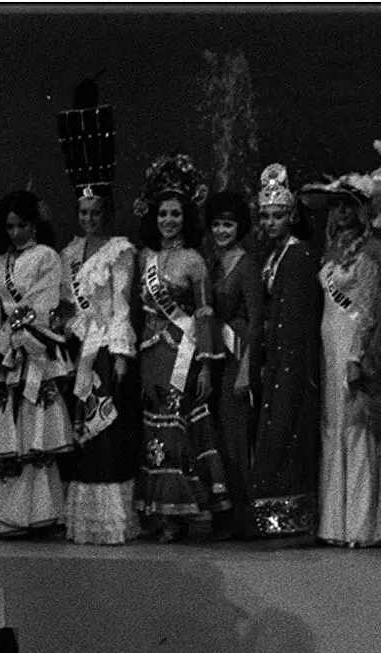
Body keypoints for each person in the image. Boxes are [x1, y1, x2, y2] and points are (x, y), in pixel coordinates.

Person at [133, 162, 226, 538]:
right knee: (153, 427)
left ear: (184, 217)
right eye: (162, 213)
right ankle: (160, 512)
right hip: (151, 355)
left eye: (175, 213)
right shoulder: (144, 258)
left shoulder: (194, 260)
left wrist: (205, 365)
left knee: (179, 428)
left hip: (182, 354)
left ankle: (185, 512)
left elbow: (204, 315)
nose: (168, 220)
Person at [313, 177, 381, 548]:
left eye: (349, 204)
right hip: (328, 344)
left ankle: (360, 525)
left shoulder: (373, 252)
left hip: (352, 346)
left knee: (356, 426)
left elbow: (369, 311)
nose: (342, 212)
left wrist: (356, 356)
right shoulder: (331, 249)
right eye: (337, 205)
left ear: (363, 209)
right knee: (333, 426)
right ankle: (334, 523)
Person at [0, 192, 72, 536]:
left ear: (35, 224)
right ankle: (7, 514)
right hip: (9, 352)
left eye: (21, 225)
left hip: (34, 349)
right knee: (10, 430)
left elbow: (46, 302)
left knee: (35, 433)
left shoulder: (47, 257)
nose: (15, 232)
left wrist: (17, 335)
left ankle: (39, 513)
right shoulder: (2, 261)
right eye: (9, 226)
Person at [60, 181, 141, 545]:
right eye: (83, 213)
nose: (89, 219)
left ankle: (113, 521)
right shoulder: (71, 252)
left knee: (106, 429)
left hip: (107, 348)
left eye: (95, 212)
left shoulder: (120, 250)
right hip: (79, 346)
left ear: (106, 213)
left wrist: (121, 355)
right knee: (82, 434)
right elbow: (67, 302)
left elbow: (121, 303)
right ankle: (84, 520)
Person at [246, 165, 324, 541]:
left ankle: (293, 521)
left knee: (290, 430)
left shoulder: (299, 255)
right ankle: (273, 518)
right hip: (276, 358)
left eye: (278, 216)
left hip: (293, 359)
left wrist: (291, 366)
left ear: (292, 217)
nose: (271, 222)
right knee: (275, 429)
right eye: (265, 216)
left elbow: (299, 318)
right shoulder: (273, 256)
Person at [204, 188, 264, 539]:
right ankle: (222, 513)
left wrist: (247, 369)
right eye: (216, 224)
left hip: (238, 353)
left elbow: (257, 321)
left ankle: (244, 517)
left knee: (237, 438)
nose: (221, 231)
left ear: (238, 226)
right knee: (217, 439)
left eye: (227, 224)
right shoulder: (210, 264)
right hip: (214, 357)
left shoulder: (247, 264)